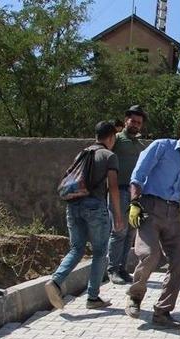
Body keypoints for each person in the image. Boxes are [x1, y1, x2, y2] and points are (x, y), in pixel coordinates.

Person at [125, 115, 180, 327]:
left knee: (179, 263)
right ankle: (135, 297)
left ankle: (162, 312)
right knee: (150, 254)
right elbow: (138, 175)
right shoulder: (161, 147)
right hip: (150, 208)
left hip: (173, 214)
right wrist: (134, 203)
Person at [46, 121, 123, 310]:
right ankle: (93, 297)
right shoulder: (109, 155)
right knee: (99, 252)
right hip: (95, 207)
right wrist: (118, 215)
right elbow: (112, 187)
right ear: (111, 137)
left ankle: (55, 281)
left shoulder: (82, 153)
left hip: (73, 206)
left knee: (76, 248)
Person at [106, 105, 147, 285]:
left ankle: (122, 268)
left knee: (131, 232)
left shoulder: (140, 145)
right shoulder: (116, 140)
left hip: (134, 194)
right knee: (118, 230)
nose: (136, 124)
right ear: (126, 121)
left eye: (139, 122)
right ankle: (112, 269)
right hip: (118, 190)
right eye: (133, 121)